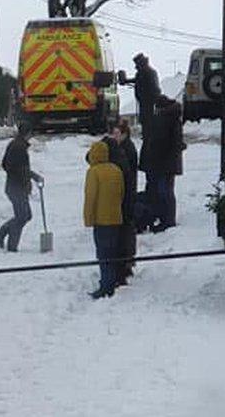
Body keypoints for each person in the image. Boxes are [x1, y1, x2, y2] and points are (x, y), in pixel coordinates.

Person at [0, 123, 42, 252]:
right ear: (27, 133)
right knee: (22, 216)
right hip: (16, 187)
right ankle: (11, 246)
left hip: (15, 186)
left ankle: (0, 235)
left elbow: (5, 164)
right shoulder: (19, 147)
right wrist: (33, 177)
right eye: (31, 133)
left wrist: (27, 177)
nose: (32, 136)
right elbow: (21, 170)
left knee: (25, 215)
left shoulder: (16, 145)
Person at [84, 141, 125, 299]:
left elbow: (90, 198)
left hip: (101, 220)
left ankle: (106, 285)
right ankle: (112, 280)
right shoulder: (116, 169)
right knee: (112, 252)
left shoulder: (93, 172)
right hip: (115, 217)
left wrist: (88, 219)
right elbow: (121, 193)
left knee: (103, 253)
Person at [143, 95, 185, 233]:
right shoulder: (171, 118)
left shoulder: (168, 119)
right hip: (165, 163)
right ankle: (165, 219)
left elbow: (168, 142)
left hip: (165, 163)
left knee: (164, 192)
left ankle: (167, 220)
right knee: (164, 191)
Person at [112, 119, 139, 283]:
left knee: (126, 228)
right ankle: (127, 261)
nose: (113, 136)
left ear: (124, 134)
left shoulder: (125, 149)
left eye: (116, 134)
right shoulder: (124, 147)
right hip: (127, 192)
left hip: (126, 193)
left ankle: (127, 262)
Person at [121, 54, 160, 138]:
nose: (136, 66)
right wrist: (127, 81)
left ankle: (148, 134)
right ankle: (147, 133)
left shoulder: (145, 72)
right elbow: (137, 81)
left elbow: (142, 83)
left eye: (137, 64)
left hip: (147, 101)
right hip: (146, 100)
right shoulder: (146, 71)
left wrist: (126, 81)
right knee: (146, 118)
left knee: (146, 118)